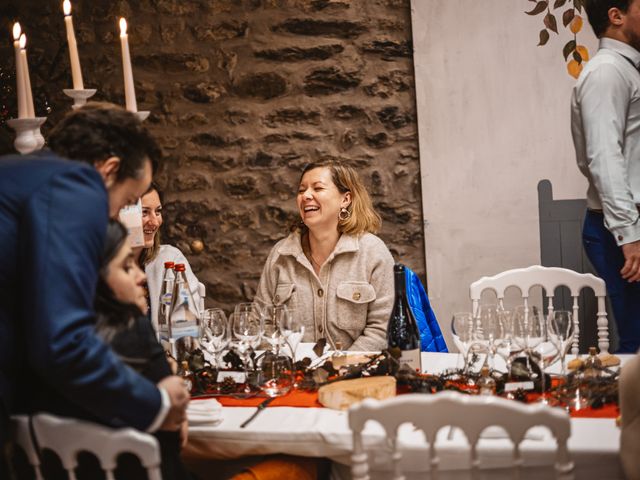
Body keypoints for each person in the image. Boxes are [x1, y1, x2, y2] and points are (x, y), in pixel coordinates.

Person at [0, 103, 189, 474]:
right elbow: (63, 342)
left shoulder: (18, 172)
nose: (118, 216)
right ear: (110, 170)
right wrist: (157, 404)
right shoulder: (75, 184)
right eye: (129, 201)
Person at [255, 161, 394, 351]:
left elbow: (382, 330)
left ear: (345, 199)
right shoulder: (280, 255)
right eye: (301, 190)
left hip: (356, 376)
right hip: (293, 375)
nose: (306, 196)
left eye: (318, 188)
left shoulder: (373, 252)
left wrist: (339, 369)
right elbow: (261, 324)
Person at [90, 220, 192, 480]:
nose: (141, 276)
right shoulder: (133, 334)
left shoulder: (68, 345)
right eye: (126, 267)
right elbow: (172, 440)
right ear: (96, 278)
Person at [572, 0, 640, 353]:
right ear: (616, 16)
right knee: (638, 342)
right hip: (624, 230)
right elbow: (604, 158)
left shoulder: (626, 70)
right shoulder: (607, 72)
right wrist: (630, 235)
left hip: (628, 225)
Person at [135, 184, 201, 333]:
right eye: (144, 212)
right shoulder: (100, 266)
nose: (155, 222)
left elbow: (188, 325)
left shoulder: (170, 260)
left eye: (157, 212)